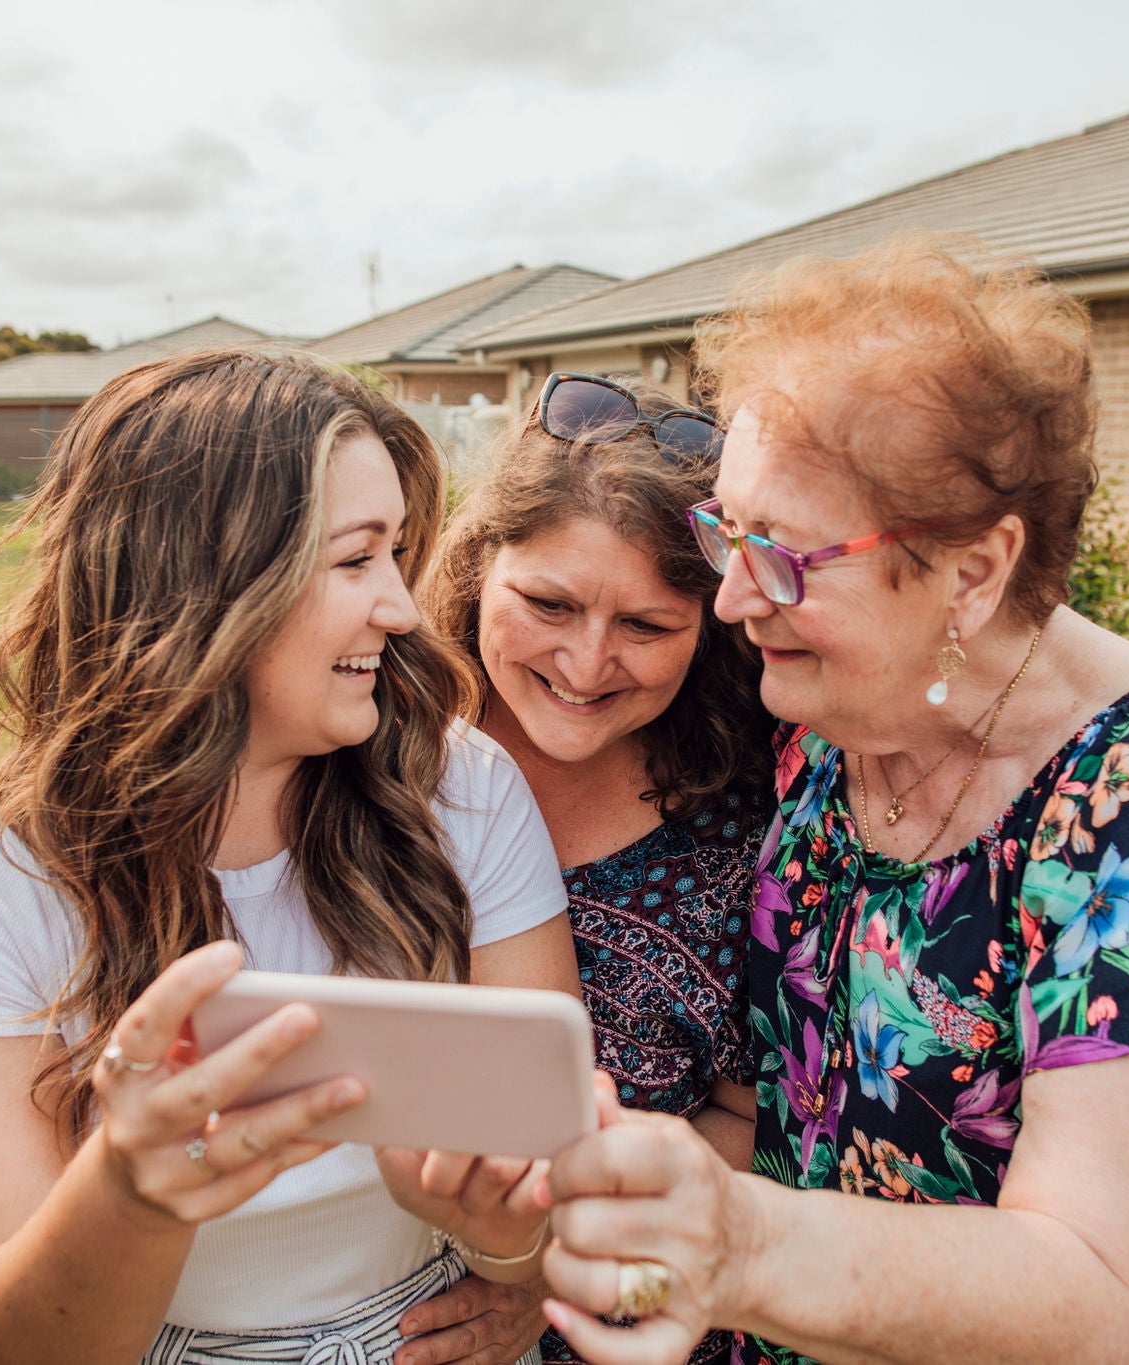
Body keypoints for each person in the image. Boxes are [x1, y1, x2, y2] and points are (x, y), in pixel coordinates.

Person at [533, 239, 1129, 1365]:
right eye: (728, 529)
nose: (731, 594)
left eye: (786, 555)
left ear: (972, 570)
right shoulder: (821, 708)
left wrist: (745, 1250)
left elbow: (1095, 1287)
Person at [0, 349, 579, 1365]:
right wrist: (129, 1195)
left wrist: (507, 1243)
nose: (401, 609)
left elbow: (548, 1211)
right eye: (353, 560)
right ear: (204, 584)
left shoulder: (465, 793)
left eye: (397, 556)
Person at [399, 375, 773, 1365]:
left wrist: (549, 1279)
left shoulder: (749, 815)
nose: (587, 661)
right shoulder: (367, 754)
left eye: (647, 627)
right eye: (549, 603)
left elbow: (743, 1126)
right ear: (482, 562)